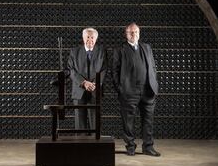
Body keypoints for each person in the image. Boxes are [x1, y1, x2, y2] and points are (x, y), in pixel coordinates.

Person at [112, 23, 161, 156]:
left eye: (136, 32)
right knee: (128, 122)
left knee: (148, 120)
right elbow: (114, 71)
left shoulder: (146, 47)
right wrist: (120, 88)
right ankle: (130, 147)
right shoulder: (120, 49)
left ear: (139, 33)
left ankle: (148, 147)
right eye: (131, 32)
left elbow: (153, 68)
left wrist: (154, 82)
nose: (134, 35)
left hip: (147, 90)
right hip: (128, 92)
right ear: (126, 34)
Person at [67, 27, 106, 132]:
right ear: (83, 38)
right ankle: (80, 145)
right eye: (87, 37)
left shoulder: (101, 51)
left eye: (92, 37)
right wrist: (84, 82)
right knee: (80, 123)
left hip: (95, 90)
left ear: (96, 39)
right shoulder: (74, 51)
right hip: (79, 91)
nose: (90, 40)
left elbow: (104, 69)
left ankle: (95, 145)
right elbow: (71, 70)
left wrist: (95, 83)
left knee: (95, 122)